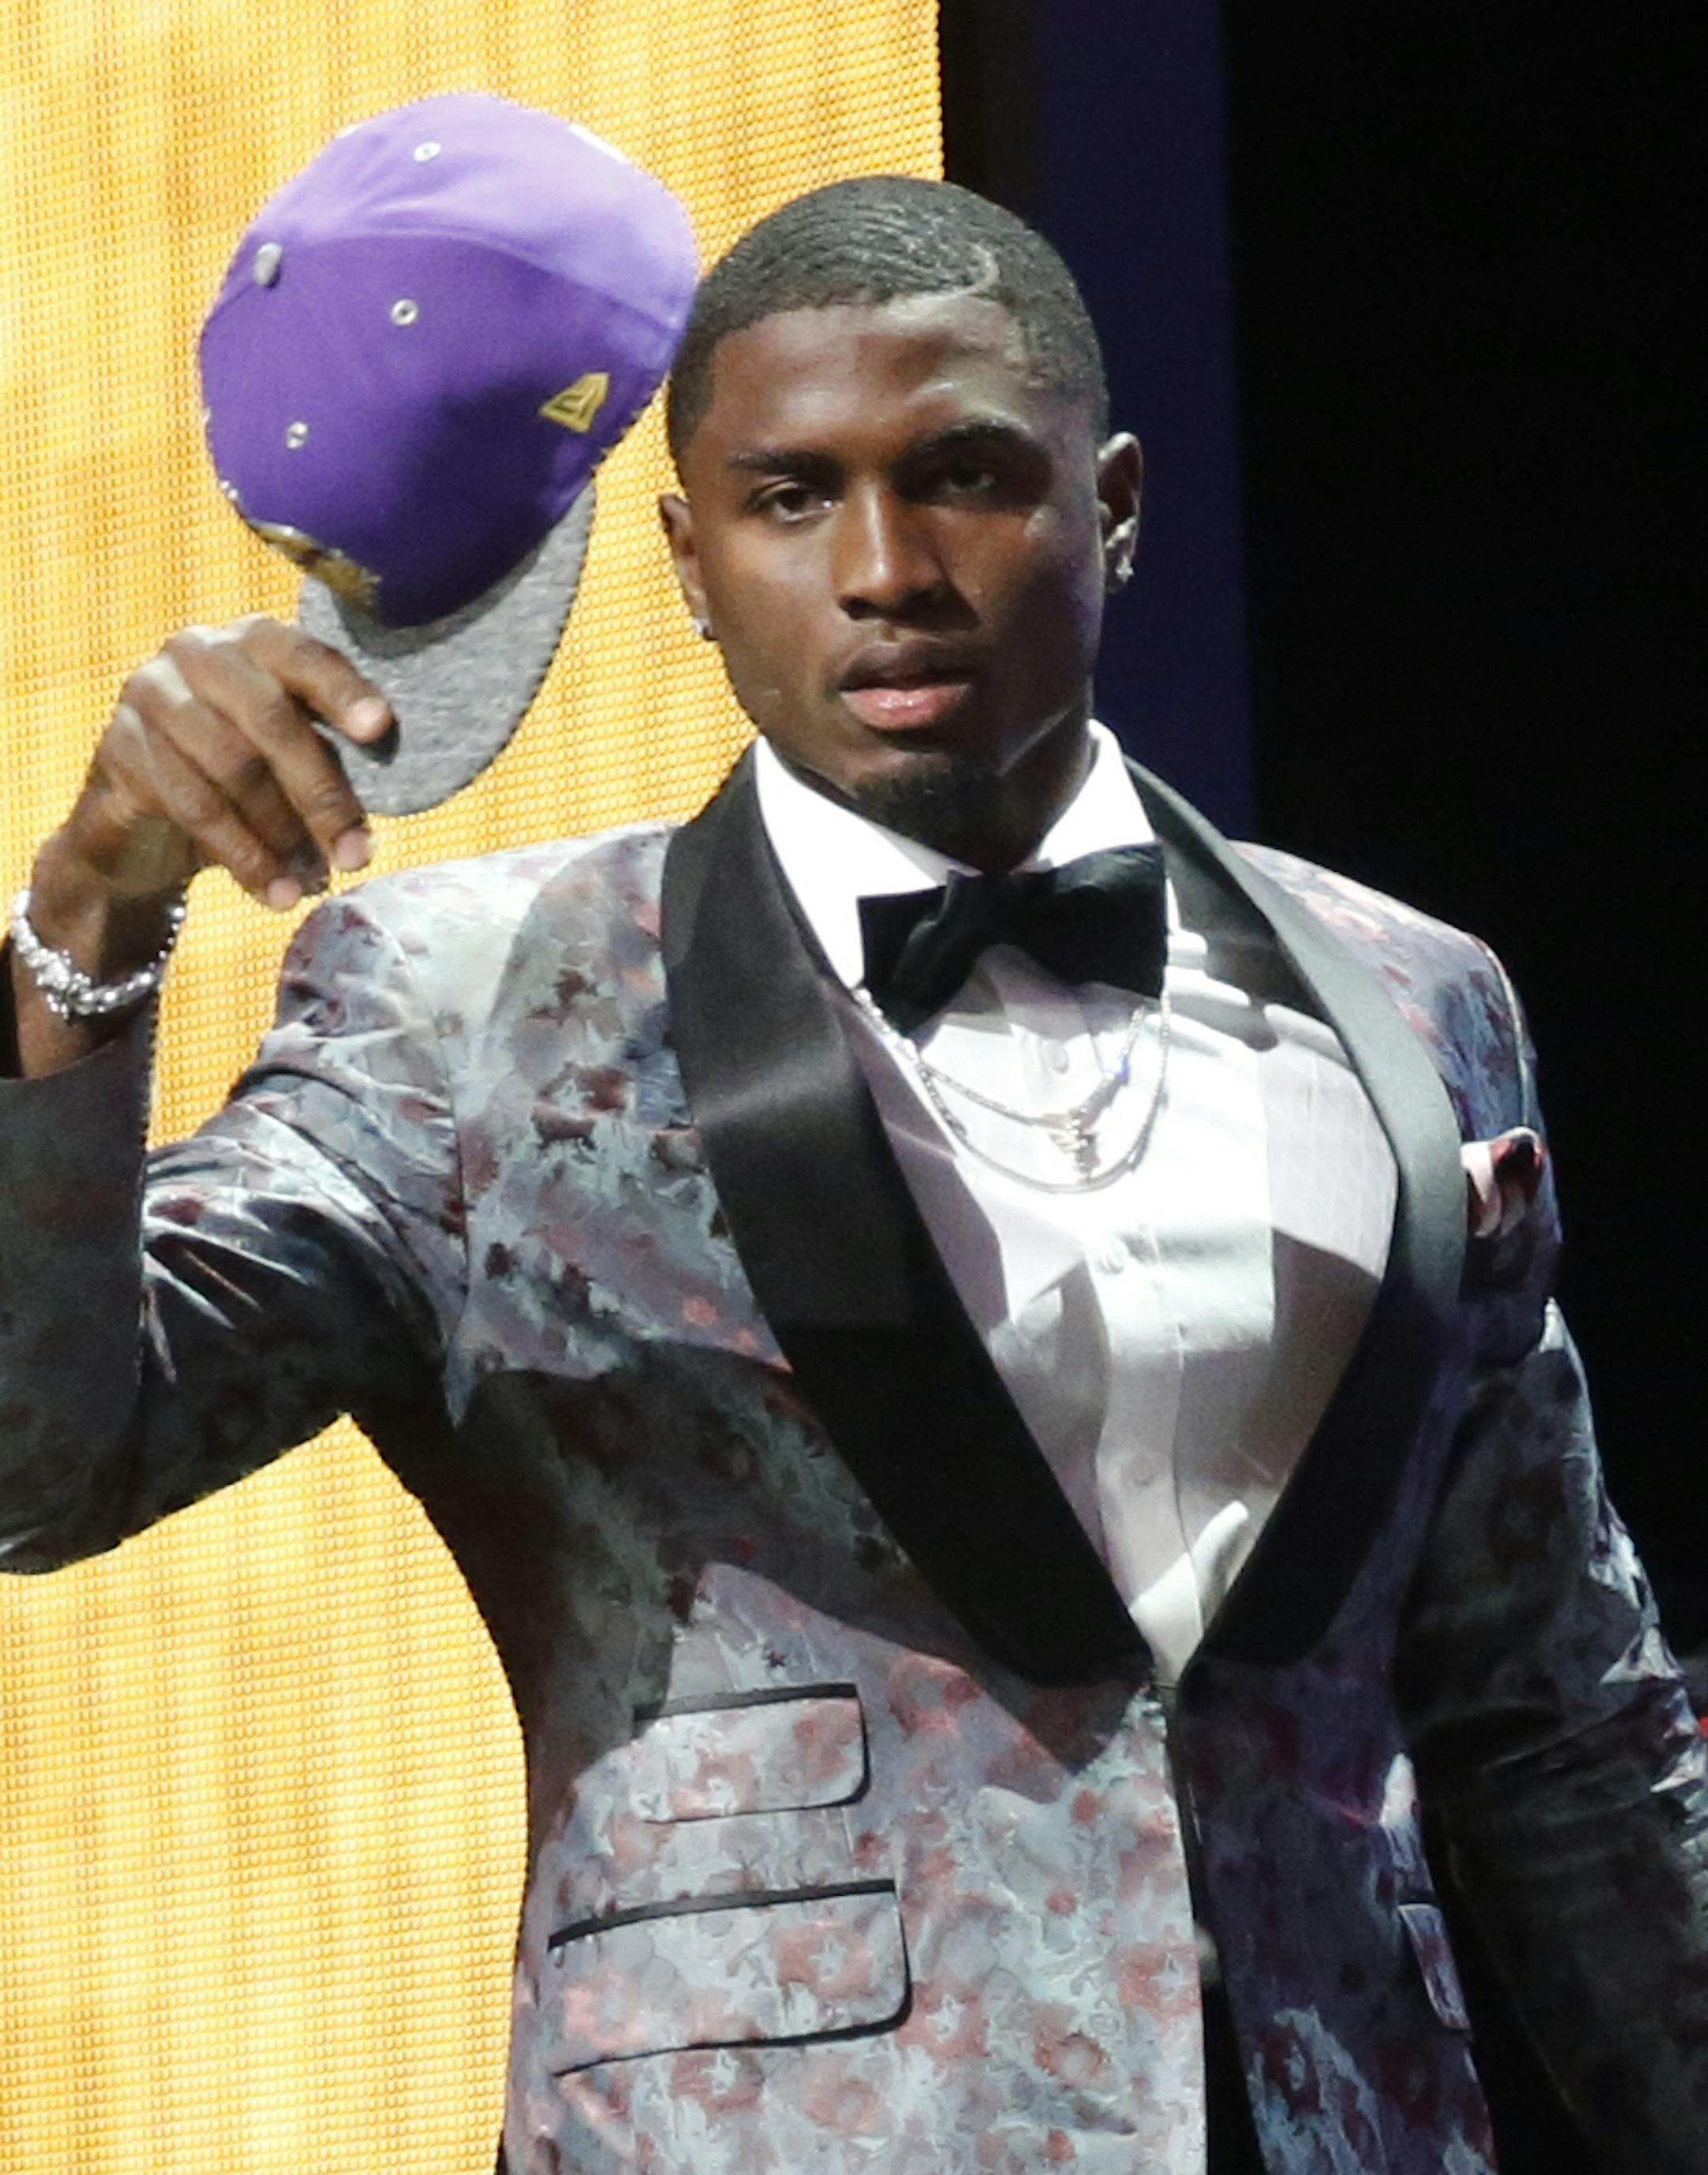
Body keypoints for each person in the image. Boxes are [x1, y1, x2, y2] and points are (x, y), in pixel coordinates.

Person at [2, 176, 1704, 2175]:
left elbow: (1561, 1715)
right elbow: (42, 1460)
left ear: (1115, 505)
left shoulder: (1411, 993)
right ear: (691, 558)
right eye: (792, 498)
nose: (887, 570)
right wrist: (90, 915)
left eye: (965, 475)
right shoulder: (473, 1008)